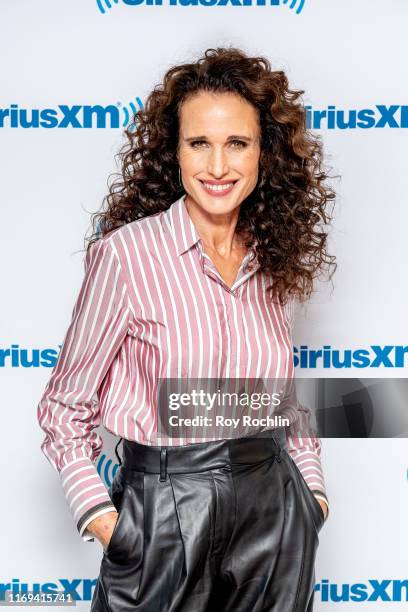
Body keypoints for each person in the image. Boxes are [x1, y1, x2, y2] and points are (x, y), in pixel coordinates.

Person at [37, 46, 336, 611]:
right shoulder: (126, 256)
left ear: (263, 155)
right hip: (165, 513)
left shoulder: (273, 260)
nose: (218, 166)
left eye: (237, 144)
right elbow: (64, 409)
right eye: (200, 142)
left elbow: (284, 405)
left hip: (274, 510)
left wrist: (311, 497)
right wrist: (109, 525)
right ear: (173, 150)